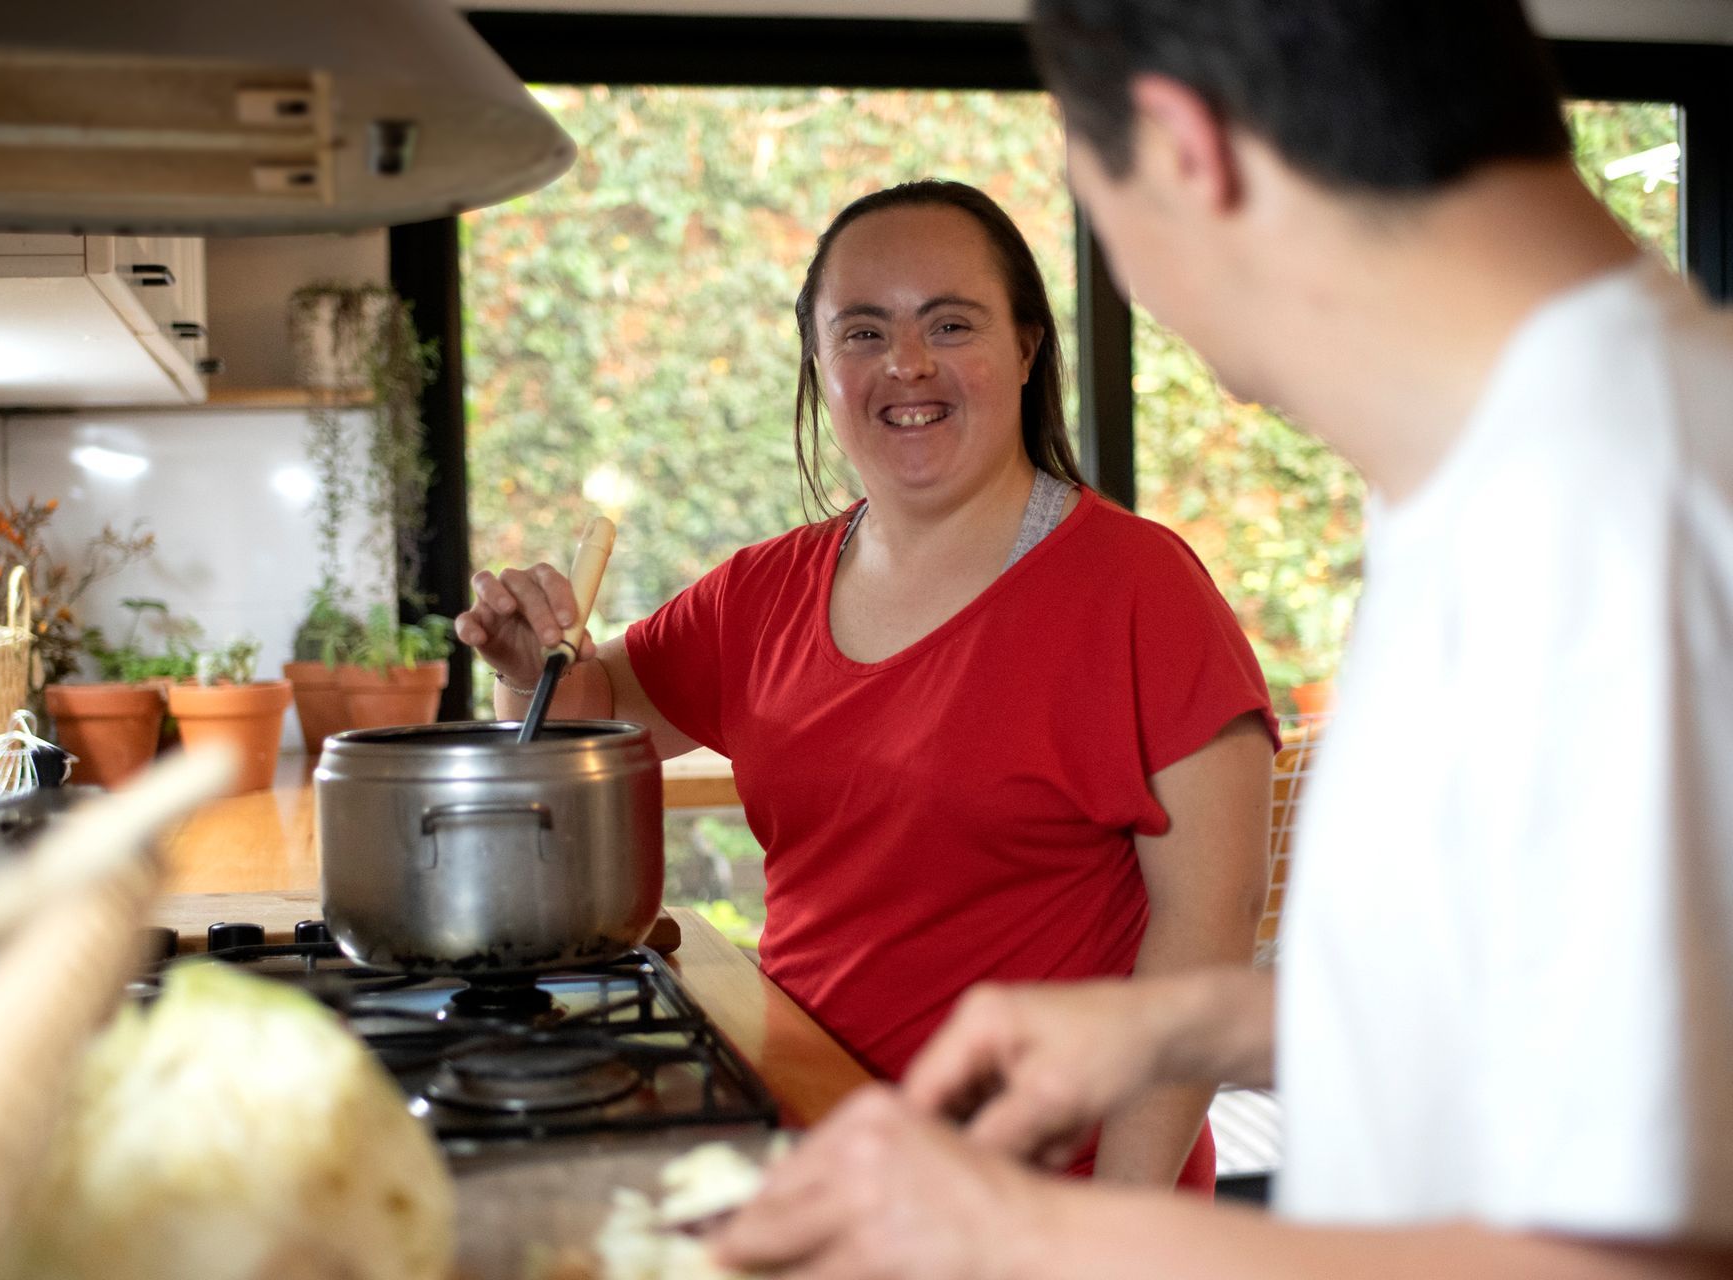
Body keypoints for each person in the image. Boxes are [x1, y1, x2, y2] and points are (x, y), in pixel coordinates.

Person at [705, 1, 1733, 1277]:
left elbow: (1649, 1257)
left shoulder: (1601, 507)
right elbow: (1572, 1022)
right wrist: (1189, 1026)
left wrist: (1034, 1231)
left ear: (1187, 153)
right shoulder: (1539, 455)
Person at [455, 179, 1278, 1192]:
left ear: (1025, 349)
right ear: (817, 360)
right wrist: (524, 671)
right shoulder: (760, 591)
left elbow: (1208, 925)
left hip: (1038, 1200)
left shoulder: (1141, 588)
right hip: (820, 1159)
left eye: (951, 322)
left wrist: (1118, 1226)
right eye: (863, 330)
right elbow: (584, 726)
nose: (908, 363)